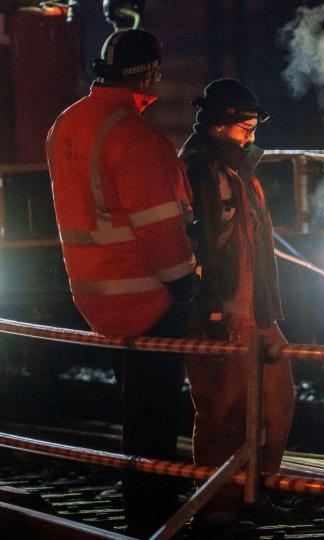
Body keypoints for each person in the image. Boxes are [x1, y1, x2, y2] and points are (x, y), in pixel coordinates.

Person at [46, 29, 197, 536]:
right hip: (148, 297)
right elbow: (161, 234)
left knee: (136, 412)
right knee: (155, 422)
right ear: (150, 74)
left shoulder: (65, 126)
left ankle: (145, 508)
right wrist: (189, 288)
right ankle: (155, 516)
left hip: (96, 297)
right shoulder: (135, 136)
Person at [178, 79, 295, 532]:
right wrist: (211, 311)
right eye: (245, 126)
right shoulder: (199, 171)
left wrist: (262, 312)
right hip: (222, 316)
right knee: (221, 411)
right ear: (221, 124)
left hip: (256, 313)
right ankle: (216, 507)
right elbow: (198, 246)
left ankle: (256, 492)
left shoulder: (236, 172)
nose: (251, 134)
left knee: (276, 401)